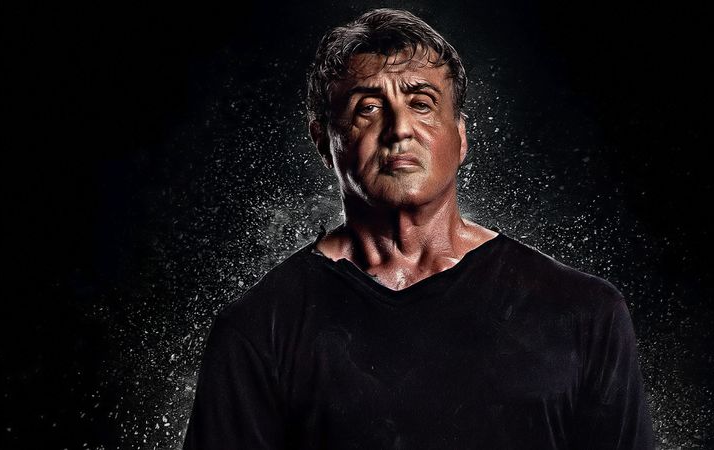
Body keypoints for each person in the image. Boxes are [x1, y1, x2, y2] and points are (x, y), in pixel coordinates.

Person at [183, 8, 654, 449]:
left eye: (422, 103)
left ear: (460, 136)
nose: (399, 129)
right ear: (324, 141)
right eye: (368, 108)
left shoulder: (583, 312)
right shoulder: (259, 329)